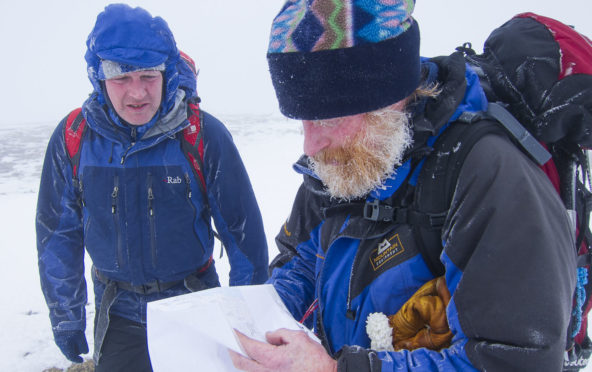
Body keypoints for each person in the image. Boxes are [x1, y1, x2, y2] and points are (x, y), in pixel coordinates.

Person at [229, 1, 578, 371]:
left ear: (386, 95)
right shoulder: (349, 158)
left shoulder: (490, 175)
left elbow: (514, 362)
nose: (309, 146)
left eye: (327, 119)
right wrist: (262, 323)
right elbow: (302, 257)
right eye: (303, 121)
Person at [36, 4, 269, 371]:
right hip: (119, 314)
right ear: (98, 76)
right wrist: (66, 315)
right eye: (121, 78)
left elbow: (244, 237)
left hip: (194, 306)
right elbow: (59, 234)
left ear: (166, 74)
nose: (137, 93)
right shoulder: (73, 138)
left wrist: (248, 321)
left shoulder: (202, 135)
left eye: (148, 76)